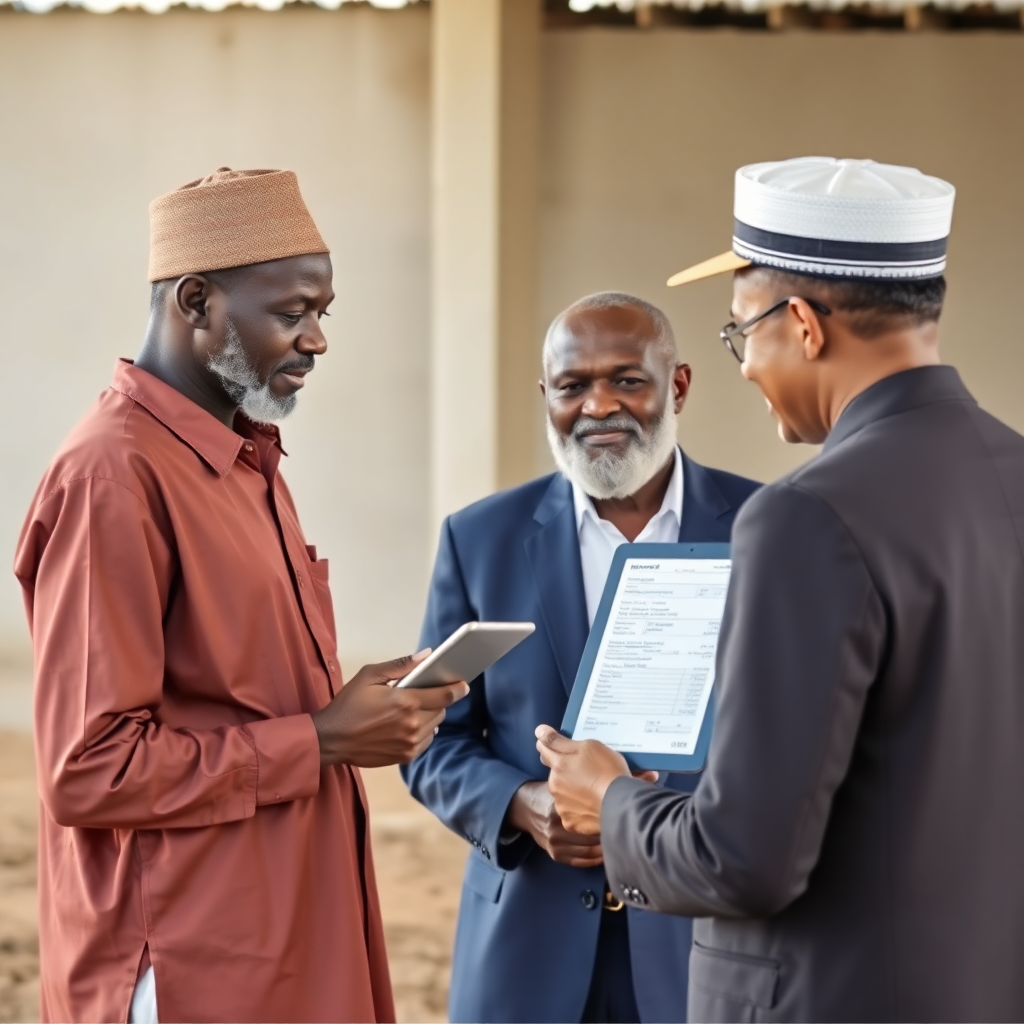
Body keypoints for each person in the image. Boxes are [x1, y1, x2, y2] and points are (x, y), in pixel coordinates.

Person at [536, 157, 1024, 1022]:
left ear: (800, 325)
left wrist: (610, 798)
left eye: (740, 334)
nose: (746, 367)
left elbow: (743, 858)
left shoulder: (804, 519)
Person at [13, 167, 468, 1024]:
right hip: (195, 965)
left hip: (291, 935)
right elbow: (89, 769)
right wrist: (323, 739)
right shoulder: (113, 474)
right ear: (195, 302)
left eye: (323, 314)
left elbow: (235, 697)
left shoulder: (244, 458)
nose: (317, 340)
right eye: (292, 312)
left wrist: (355, 710)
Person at [402, 292, 760, 1023]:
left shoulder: (764, 529)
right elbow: (430, 739)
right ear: (547, 397)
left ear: (678, 385)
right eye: (572, 386)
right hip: (525, 954)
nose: (599, 406)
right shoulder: (481, 539)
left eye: (628, 380)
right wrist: (521, 806)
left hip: (704, 948)